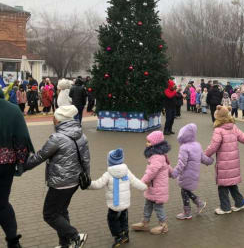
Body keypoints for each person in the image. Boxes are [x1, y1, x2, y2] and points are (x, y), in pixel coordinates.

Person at [24, 105, 90, 248]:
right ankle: (65, 244)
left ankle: (75, 236)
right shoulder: (81, 135)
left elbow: (40, 156)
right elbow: (86, 159)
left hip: (60, 183)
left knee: (49, 214)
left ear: (59, 120)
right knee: (61, 211)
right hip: (75, 181)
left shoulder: (57, 138)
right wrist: (86, 177)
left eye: (54, 117)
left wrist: (22, 167)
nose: (52, 119)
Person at [204, 105, 244, 214]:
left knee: (223, 186)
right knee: (231, 184)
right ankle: (240, 203)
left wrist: (205, 155)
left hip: (224, 164)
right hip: (233, 163)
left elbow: (213, 146)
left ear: (218, 117)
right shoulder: (233, 127)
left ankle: (225, 208)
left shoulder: (218, 130)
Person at [89, 148, 147, 248]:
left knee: (112, 220)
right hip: (124, 204)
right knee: (123, 219)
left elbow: (98, 184)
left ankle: (119, 236)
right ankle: (126, 235)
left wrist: (88, 184)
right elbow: (136, 182)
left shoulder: (108, 174)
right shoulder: (127, 172)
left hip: (114, 205)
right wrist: (145, 187)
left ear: (109, 161)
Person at [0, 88, 34, 248]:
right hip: (5, 164)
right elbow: (22, 138)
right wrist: (20, 162)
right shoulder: (13, 110)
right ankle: (13, 241)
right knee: (2, 203)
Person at [170, 124, 213, 220]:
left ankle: (188, 212)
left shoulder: (184, 148)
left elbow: (181, 163)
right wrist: (210, 161)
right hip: (194, 173)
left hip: (186, 174)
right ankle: (198, 203)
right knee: (185, 190)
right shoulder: (197, 145)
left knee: (184, 191)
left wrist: (174, 173)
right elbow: (203, 158)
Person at [131, 131, 171, 235]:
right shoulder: (158, 155)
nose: (146, 143)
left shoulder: (157, 156)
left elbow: (151, 171)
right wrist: (173, 173)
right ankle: (145, 222)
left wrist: (142, 182)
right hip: (153, 187)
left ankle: (163, 226)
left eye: (149, 142)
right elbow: (167, 166)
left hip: (157, 188)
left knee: (158, 207)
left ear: (156, 143)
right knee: (147, 204)